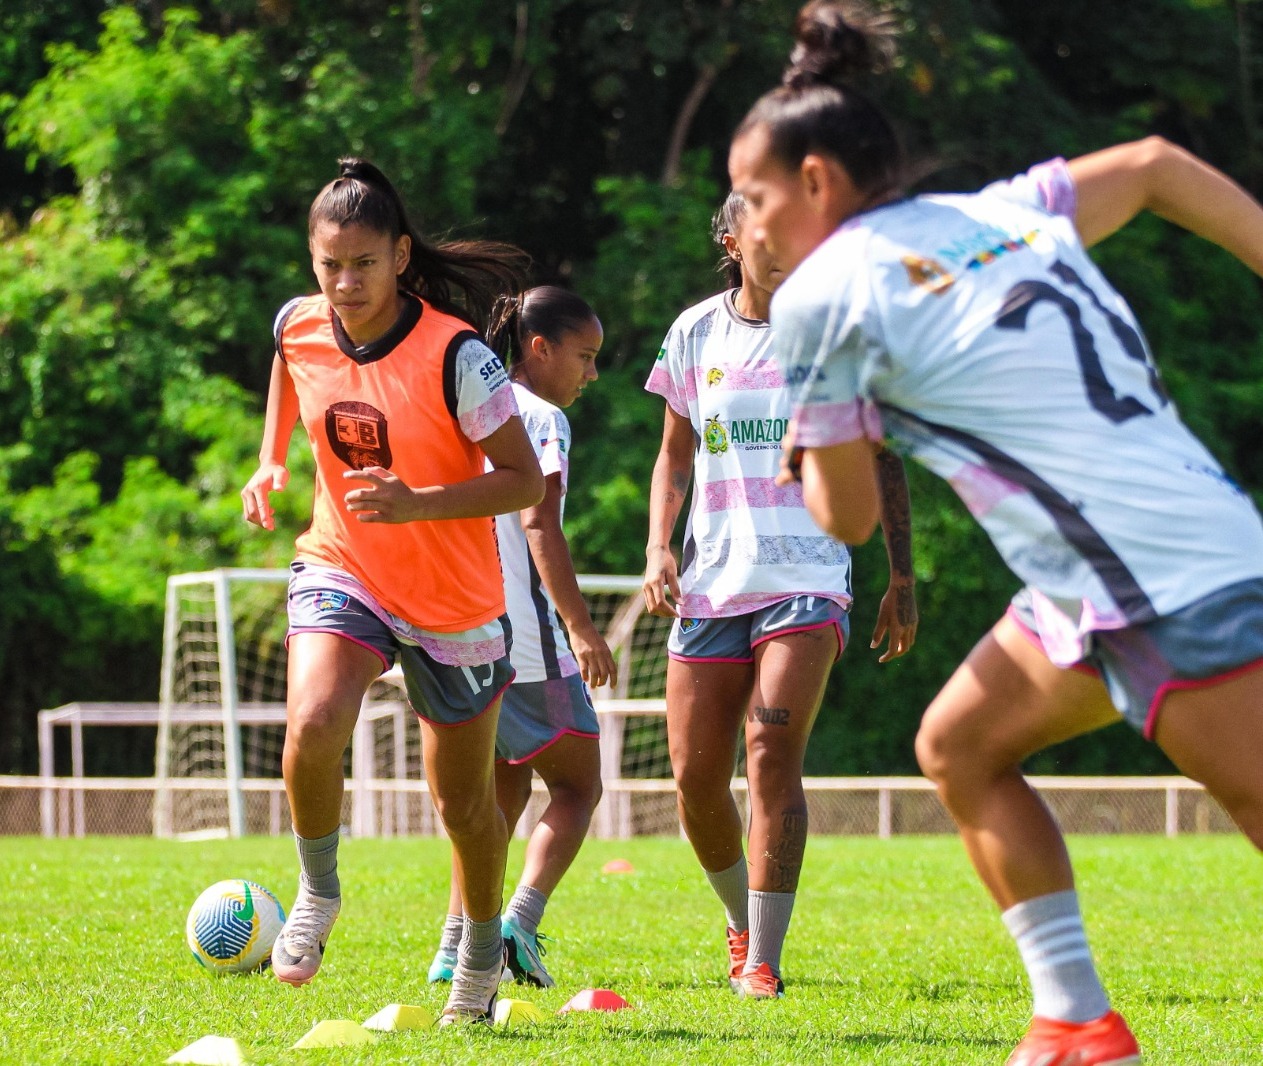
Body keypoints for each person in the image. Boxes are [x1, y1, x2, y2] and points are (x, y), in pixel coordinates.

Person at [729, 1, 1263, 1061]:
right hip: (1130, 562)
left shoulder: (820, 298)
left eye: (753, 194)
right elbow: (1154, 165)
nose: (744, 222)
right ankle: (1074, 1020)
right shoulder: (996, 211)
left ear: (817, 181)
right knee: (959, 744)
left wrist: (810, 444)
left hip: (1154, 581)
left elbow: (842, 518)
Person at [240, 157, 544, 1026]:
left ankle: (478, 957)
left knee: (464, 806)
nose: (344, 284)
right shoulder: (300, 322)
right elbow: (288, 363)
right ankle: (318, 891)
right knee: (312, 721)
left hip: (455, 603)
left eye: (363, 264)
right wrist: (270, 458)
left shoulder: (458, 356)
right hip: (345, 565)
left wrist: (418, 504)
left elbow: (523, 481)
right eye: (329, 265)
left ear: (401, 256)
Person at [641, 188, 918, 1000]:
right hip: (712, 581)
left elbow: (882, 457)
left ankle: (762, 960)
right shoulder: (694, 332)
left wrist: (900, 577)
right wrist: (658, 545)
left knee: (769, 756)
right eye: (763, 236)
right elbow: (675, 455)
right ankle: (739, 924)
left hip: (806, 577)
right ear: (731, 242)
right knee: (694, 779)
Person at [426, 285, 616, 990]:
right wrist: (581, 627)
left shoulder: (465, 406)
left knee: (498, 795)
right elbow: (539, 524)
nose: (591, 374)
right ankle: (519, 924)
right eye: (584, 356)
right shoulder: (538, 417)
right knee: (578, 784)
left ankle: (454, 947)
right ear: (540, 348)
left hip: (459, 633)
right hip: (525, 641)